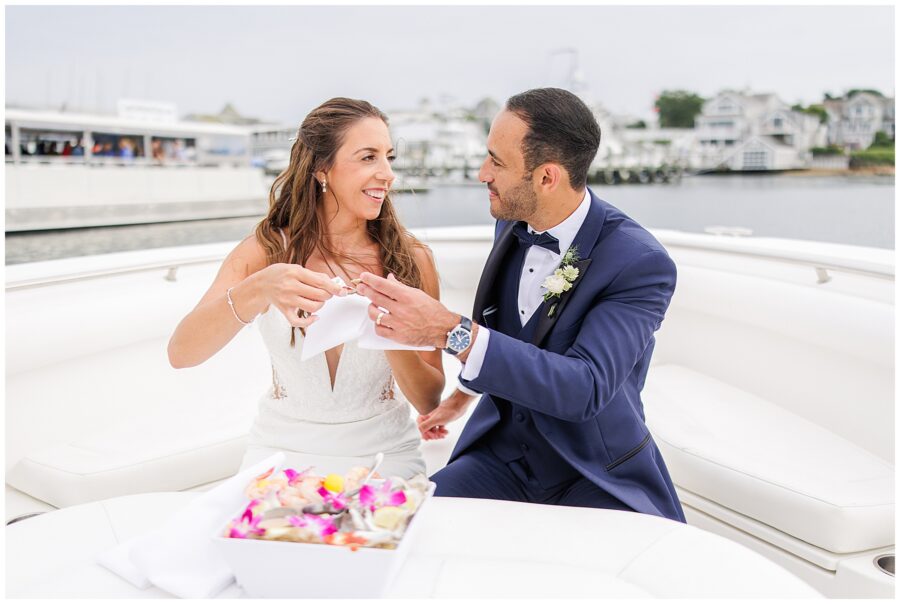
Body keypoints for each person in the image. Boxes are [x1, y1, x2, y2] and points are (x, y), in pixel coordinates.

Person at [356, 88, 685, 522]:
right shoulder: (512, 222)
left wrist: (448, 331)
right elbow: (515, 333)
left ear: (547, 177)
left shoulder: (640, 263)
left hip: (591, 469)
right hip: (502, 456)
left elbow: (583, 388)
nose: (481, 173)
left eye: (497, 161)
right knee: (419, 530)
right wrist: (464, 394)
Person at [168, 98, 445, 479]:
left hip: (384, 456)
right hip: (281, 453)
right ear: (321, 169)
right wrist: (260, 287)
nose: (388, 174)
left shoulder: (411, 259)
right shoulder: (264, 251)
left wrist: (389, 332)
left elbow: (428, 397)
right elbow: (182, 353)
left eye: (389, 158)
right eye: (368, 157)